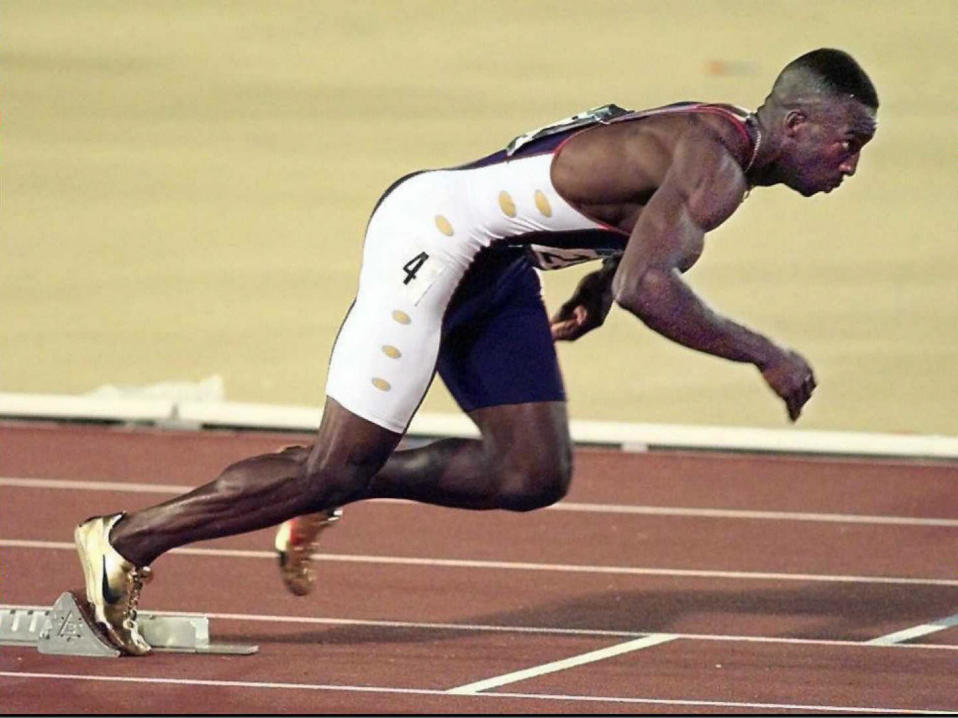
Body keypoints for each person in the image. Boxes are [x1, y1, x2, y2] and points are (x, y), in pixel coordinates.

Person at [74, 48, 877, 654]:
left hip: (495, 263)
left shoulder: (714, 135)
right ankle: (126, 541)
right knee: (331, 468)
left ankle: (340, 474)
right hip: (435, 239)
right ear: (796, 123)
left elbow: (619, 205)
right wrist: (765, 353)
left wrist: (598, 283)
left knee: (529, 474)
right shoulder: (718, 161)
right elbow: (651, 287)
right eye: (848, 141)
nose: (851, 164)